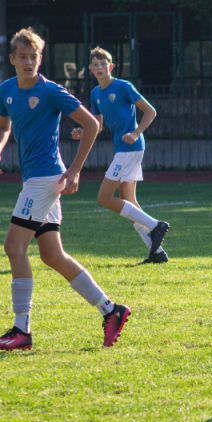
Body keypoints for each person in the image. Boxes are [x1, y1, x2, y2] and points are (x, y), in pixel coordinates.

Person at [0, 28, 130, 351]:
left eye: (33, 57)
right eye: (22, 57)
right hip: (34, 180)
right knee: (51, 254)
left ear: (40, 58)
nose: (28, 62)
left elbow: (92, 124)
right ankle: (111, 310)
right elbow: (2, 126)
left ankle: (21, 330)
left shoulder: (51, 91)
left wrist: (75, 170)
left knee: (14, 247)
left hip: (46, 179)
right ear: (12, 59)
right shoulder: (7, 90)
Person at [71, 46, 169, 264]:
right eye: (95, 65)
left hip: (131, 148)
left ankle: (155, 225)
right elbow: (97, 124)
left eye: (103, 64)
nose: (99, 68)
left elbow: (151, 111)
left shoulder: (124, 86)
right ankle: (156, 252)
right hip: (123, 149)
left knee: (104, 198)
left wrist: (136, 132)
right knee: (129, 201)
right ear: (90, 69)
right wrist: (83, 131)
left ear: (111, 66)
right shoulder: (96, 93)